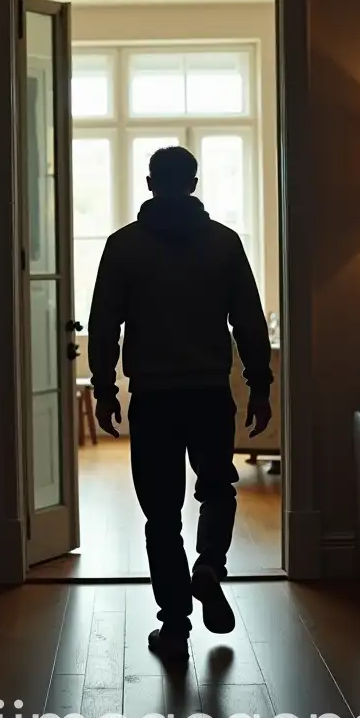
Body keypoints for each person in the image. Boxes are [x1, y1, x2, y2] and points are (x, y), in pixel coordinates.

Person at [87, 146, 273, 661]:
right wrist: (260, 384)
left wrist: (104, 389)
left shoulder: (123, 247)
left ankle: (174, 627)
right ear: (193, 183)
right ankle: (210, 564)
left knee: (162, 516)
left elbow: (104, 325)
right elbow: (250, 322)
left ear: (150, 183)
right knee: (217, 488)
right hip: (211, 394)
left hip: (154, 398)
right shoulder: (224, 243)